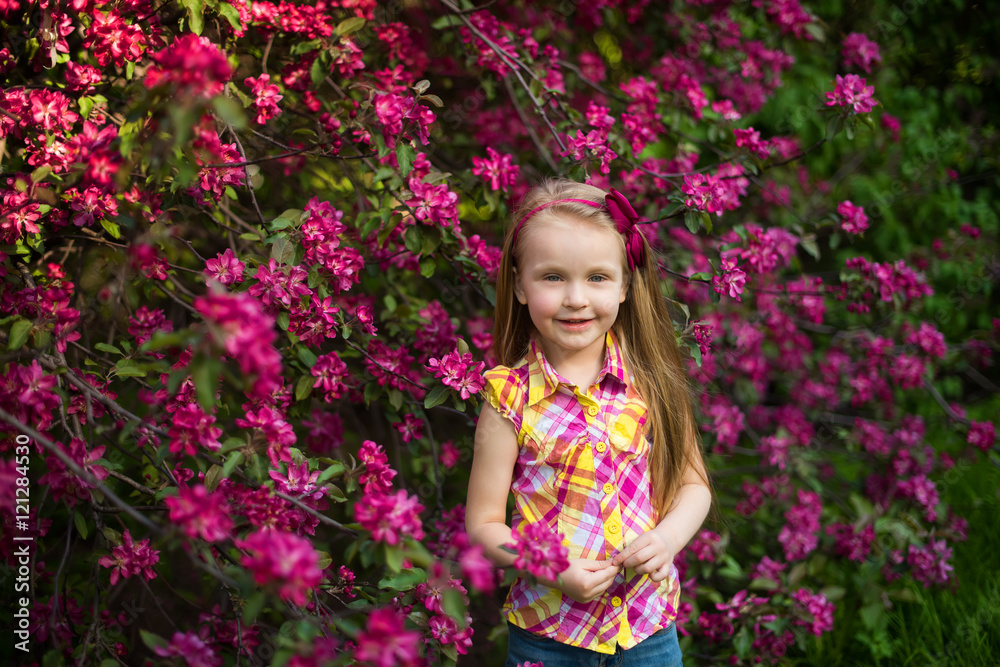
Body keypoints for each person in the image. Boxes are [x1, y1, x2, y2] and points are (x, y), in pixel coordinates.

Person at [466, 178, 712, 667]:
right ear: (519, 284)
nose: (576, 298)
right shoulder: (508, 398)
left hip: (646, 630)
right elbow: (484, 525)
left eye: (597, 277)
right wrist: (553, 568)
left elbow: (695, 487)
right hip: (549, 637)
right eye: (553, 277)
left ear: (624, 285)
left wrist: (666, 540)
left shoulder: (652, 383)